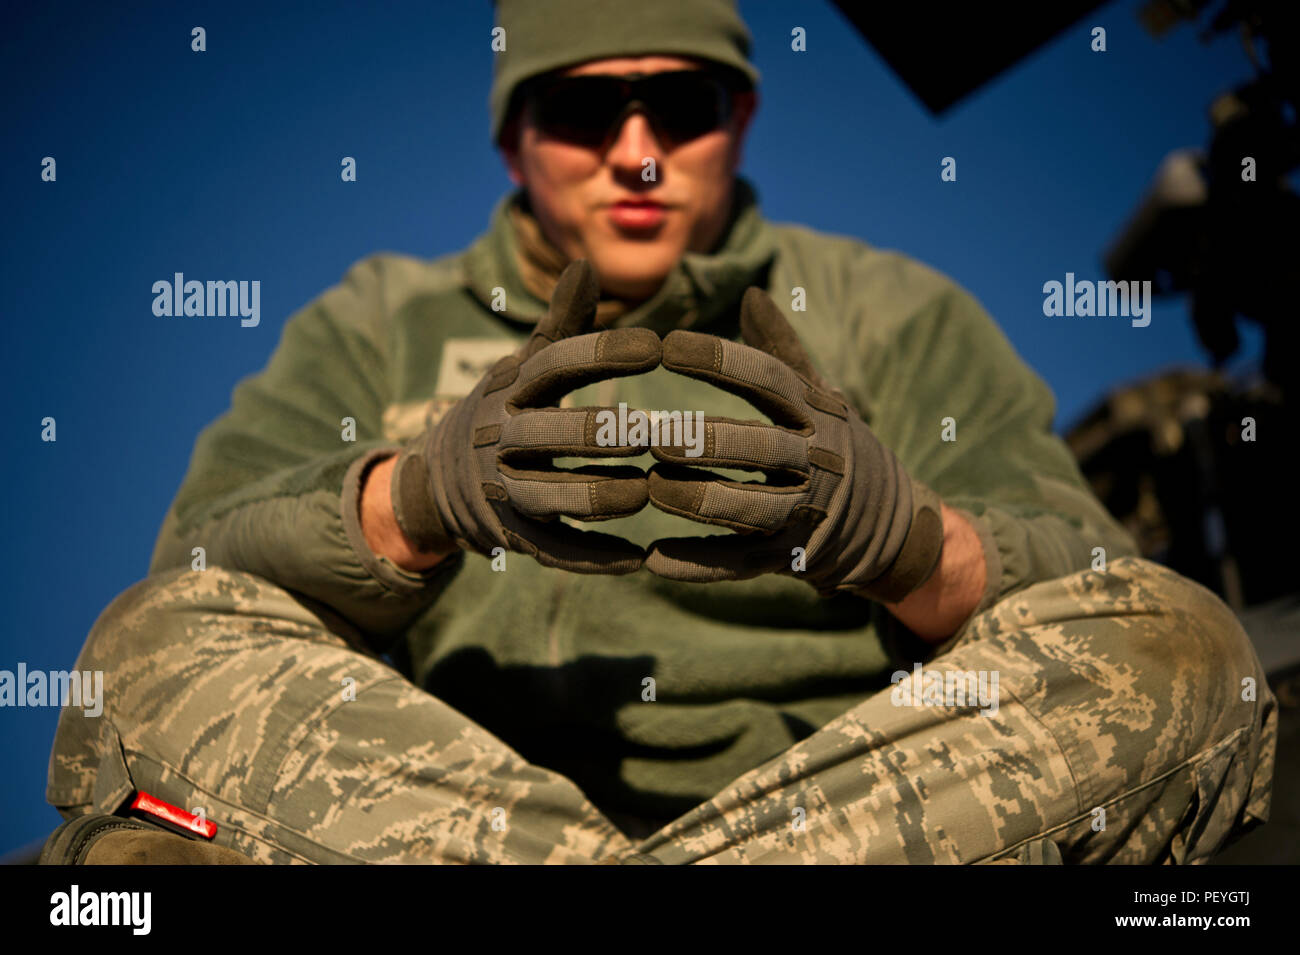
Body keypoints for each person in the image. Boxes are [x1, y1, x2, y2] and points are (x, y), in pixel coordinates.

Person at [44, 0, 1275, 865]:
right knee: (148, 644)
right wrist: (406, 505)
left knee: (1187, 647)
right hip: (422, 806)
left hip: (852, 809)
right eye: (586, 114)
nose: (636, 156)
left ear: (738, 114)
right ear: (514, 136)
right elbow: (194, 577)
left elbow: (1103, 581)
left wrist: (909, 543)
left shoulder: (892, 315)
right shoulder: (374, 322)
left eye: (678, 105)